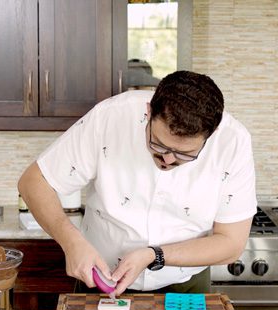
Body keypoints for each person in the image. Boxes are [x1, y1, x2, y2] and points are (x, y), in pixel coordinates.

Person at [18, 70, 256, 296]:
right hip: (100, 278)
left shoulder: (233, 142)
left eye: (185, 154)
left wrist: (154, 255)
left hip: (184, 285)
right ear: (148, 112)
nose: (168, 159)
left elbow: (231, 244)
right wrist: (71, 242)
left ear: (210, 135)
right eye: (159, 144)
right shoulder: (110, 118)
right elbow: (33, 182)